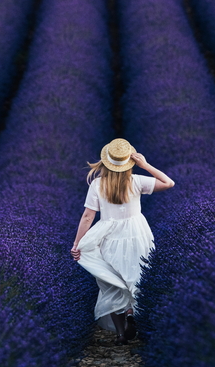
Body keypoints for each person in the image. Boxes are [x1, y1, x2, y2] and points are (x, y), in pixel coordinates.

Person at [71, 138, 174, 344]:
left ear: (105, 162)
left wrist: (77, 244)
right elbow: (168, 183)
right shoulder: (136, 181)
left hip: (109, 236)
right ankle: (132, 315)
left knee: (112, 281)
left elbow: (87, 217)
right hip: (137, 233)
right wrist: (145, 165)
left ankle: (120, 334)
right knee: (136, 277)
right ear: (130, 162)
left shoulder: (98, 184)